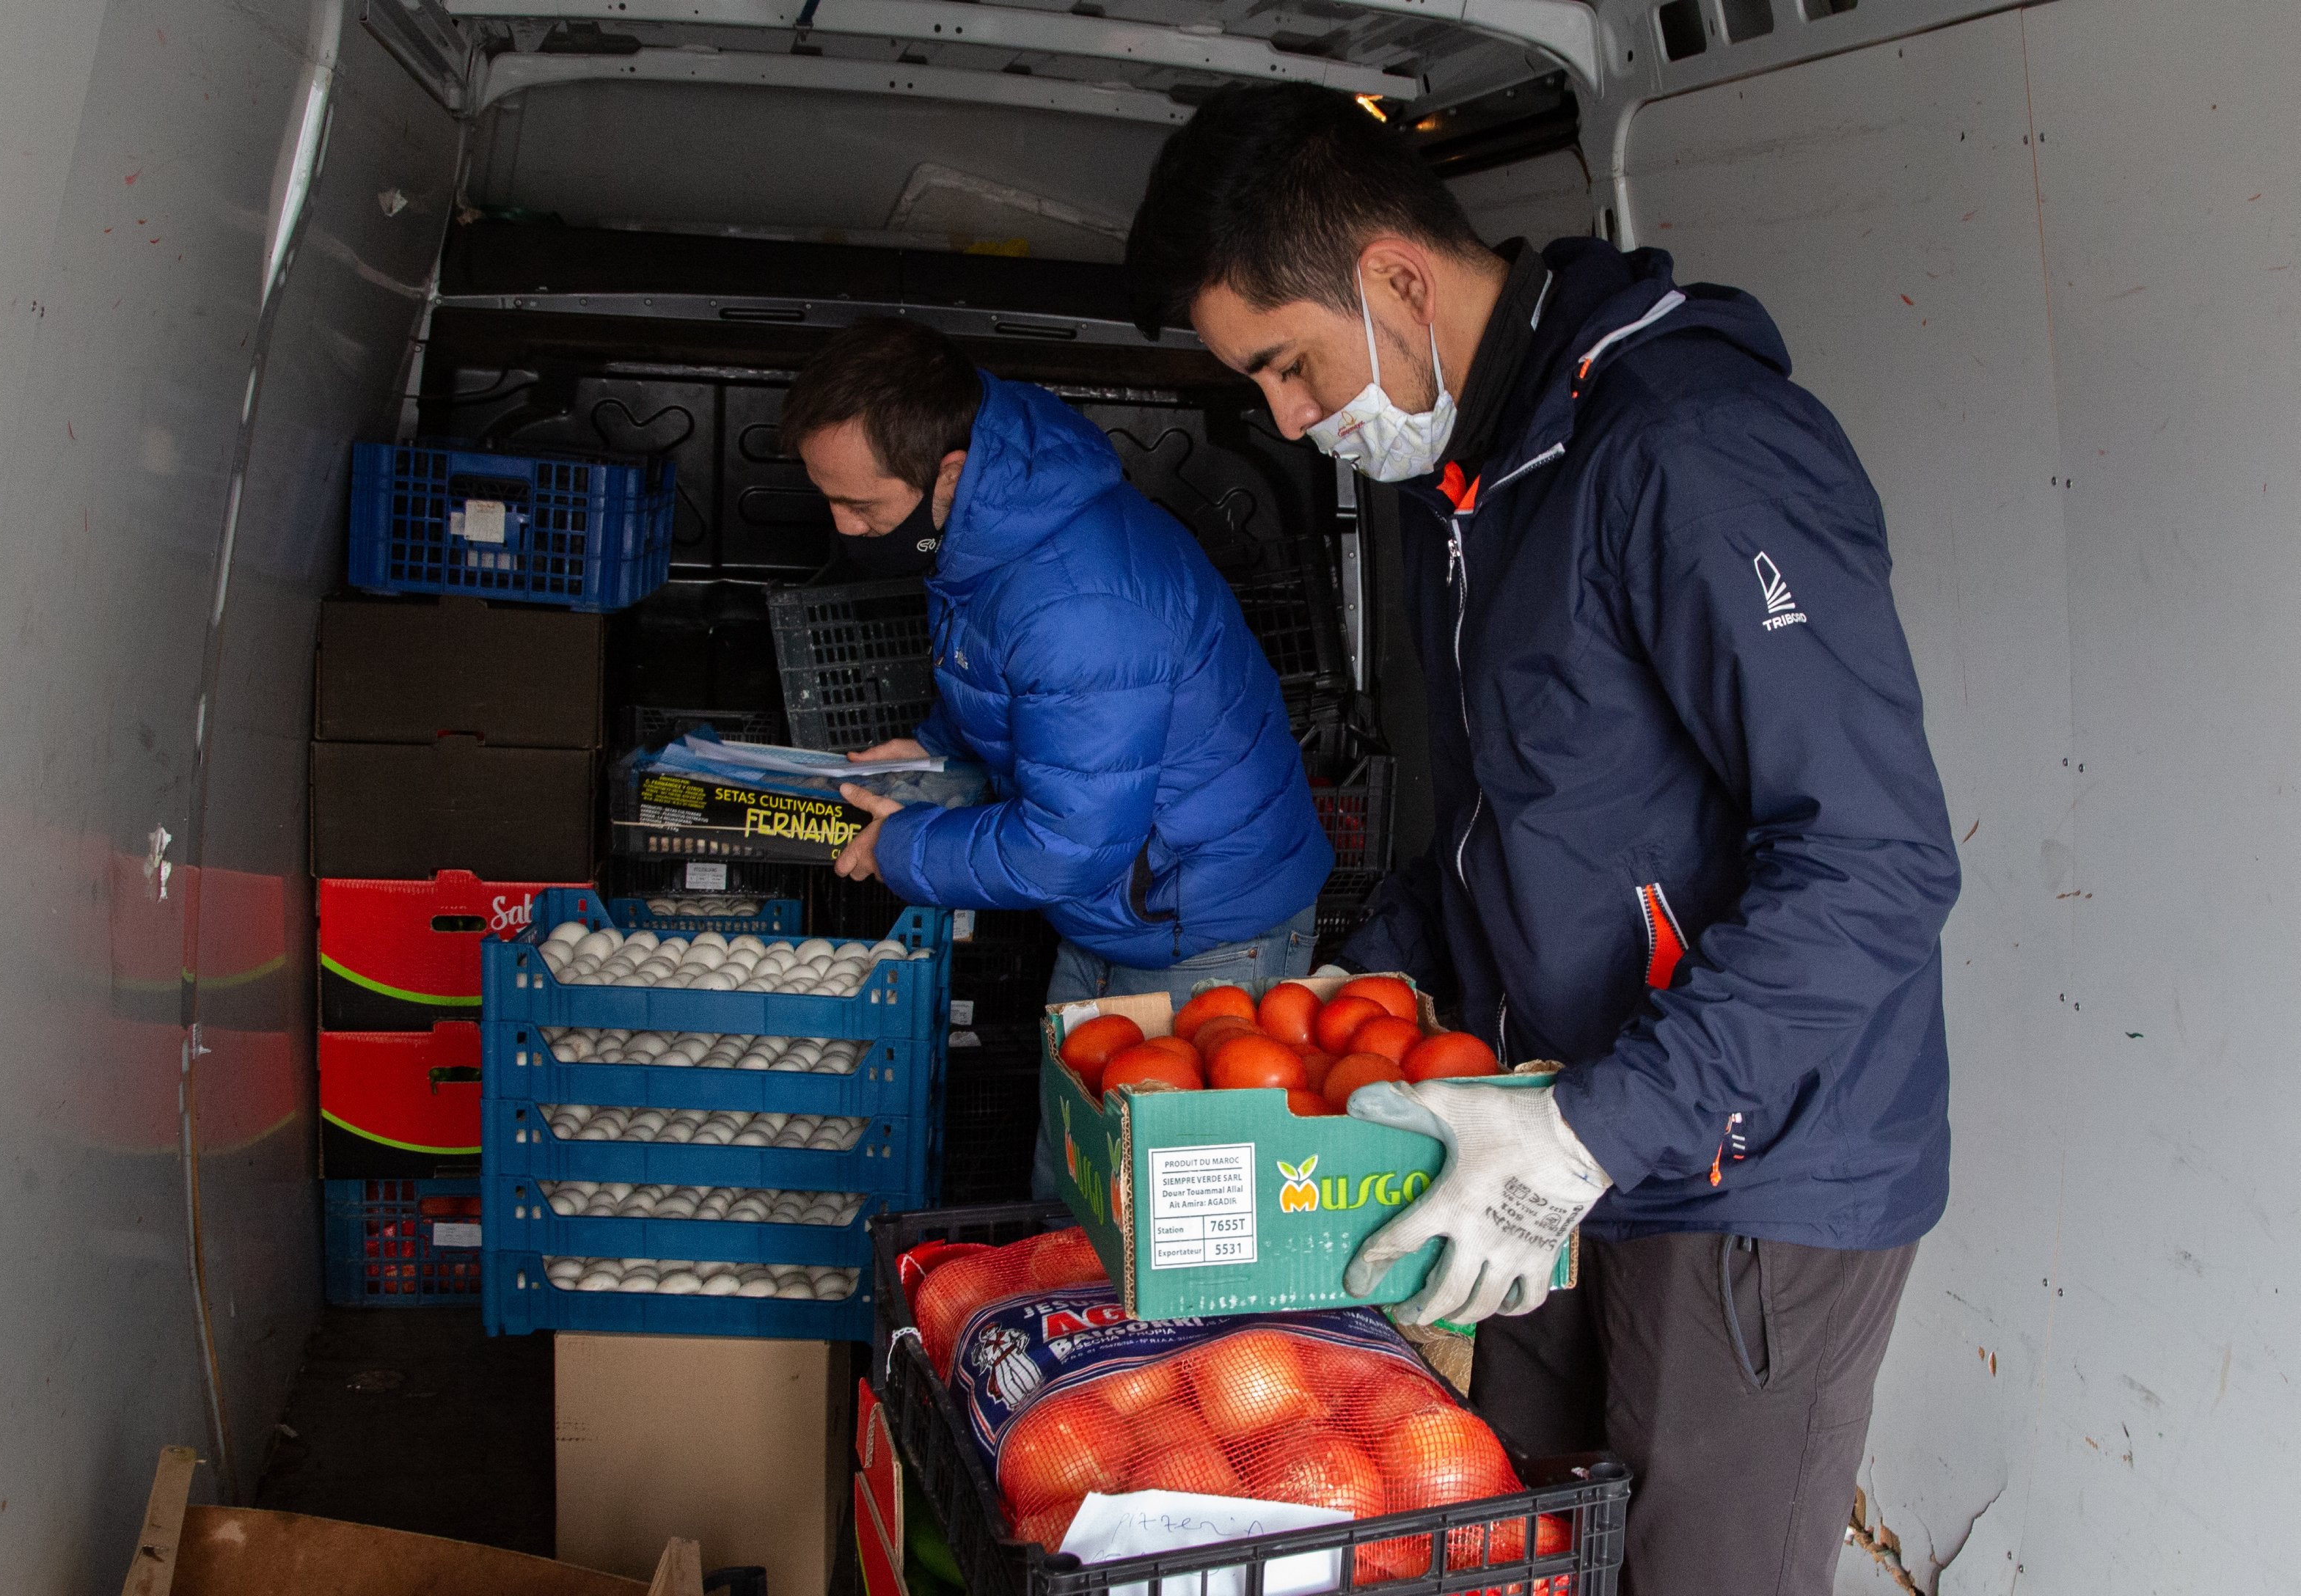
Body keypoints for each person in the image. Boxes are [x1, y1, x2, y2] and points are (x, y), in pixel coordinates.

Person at [1125, 85, 1960, 1596]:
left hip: (1740, 1167)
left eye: (1286, 366)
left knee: (1695, 1570)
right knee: (1512, 1550)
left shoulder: (1689, 451)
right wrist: (1354, 991)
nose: (1288, 419)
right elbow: (1507, 821)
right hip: (1545, 1132)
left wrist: (1596, 1126)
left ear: (1391, 276)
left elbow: (1876, 861)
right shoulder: (1477, 475)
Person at [776, 318, 1335, 1196]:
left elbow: (1069, 843)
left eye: (863, 507)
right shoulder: (1000, 538)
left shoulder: (1079, 600)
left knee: (1158, 1223)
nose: (844, 528)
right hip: (1124, 908)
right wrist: (931, 748)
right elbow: (1029, 699)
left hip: (1206, 925)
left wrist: (904, 849)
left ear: (951, 474)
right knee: (1074, 1186)